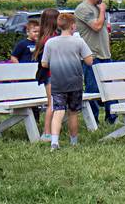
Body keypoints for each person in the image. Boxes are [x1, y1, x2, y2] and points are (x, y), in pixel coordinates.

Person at [40, 14, 93, 151]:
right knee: (73, 113)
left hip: (57, 83)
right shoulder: (79, 42)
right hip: (75, 82)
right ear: (72, 26)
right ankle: (73, 141)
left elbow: (44, 63)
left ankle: (54, 142)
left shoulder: (50, 43)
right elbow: (89, 61)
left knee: (58, 111)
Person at [74, 0, 116, 125]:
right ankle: (93, 120)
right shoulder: (83, 8)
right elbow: (97, 26)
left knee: (111, 89)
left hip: (105, 55)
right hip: (91, 56)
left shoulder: (98, 7)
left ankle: (112, 118)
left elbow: (104, 31)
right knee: (92, 90)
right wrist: (103, 11)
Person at [33, 8, 60, 142]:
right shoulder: (49, 39)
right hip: (50, 75)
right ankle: (46, 133)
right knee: (52, 103)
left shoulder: (50, 36)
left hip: (53, 74)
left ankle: (50, 131)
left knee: (54, 103)